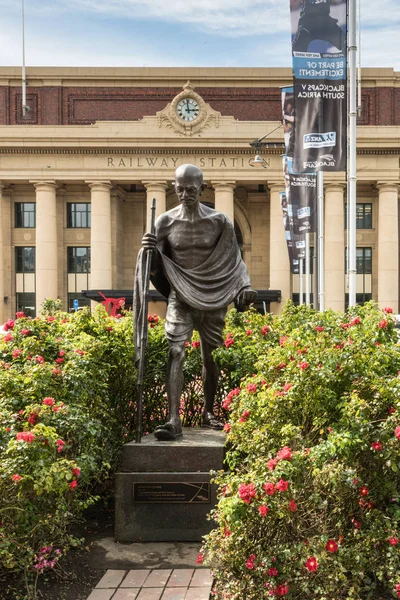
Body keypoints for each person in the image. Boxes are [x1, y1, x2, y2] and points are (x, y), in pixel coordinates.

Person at [136, 164, 256, 441]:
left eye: (190, 189)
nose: (184, 194)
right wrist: (148, 251)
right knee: (175, 351)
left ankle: (209, 412)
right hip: (181, 295)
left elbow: (234, 260)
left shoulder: (220, 221)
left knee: (210, 357)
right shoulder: (164, 222)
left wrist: (246, 286)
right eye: (179, 189)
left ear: (202, 189)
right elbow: (155, 268)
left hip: (215, 295)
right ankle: (173, 419)